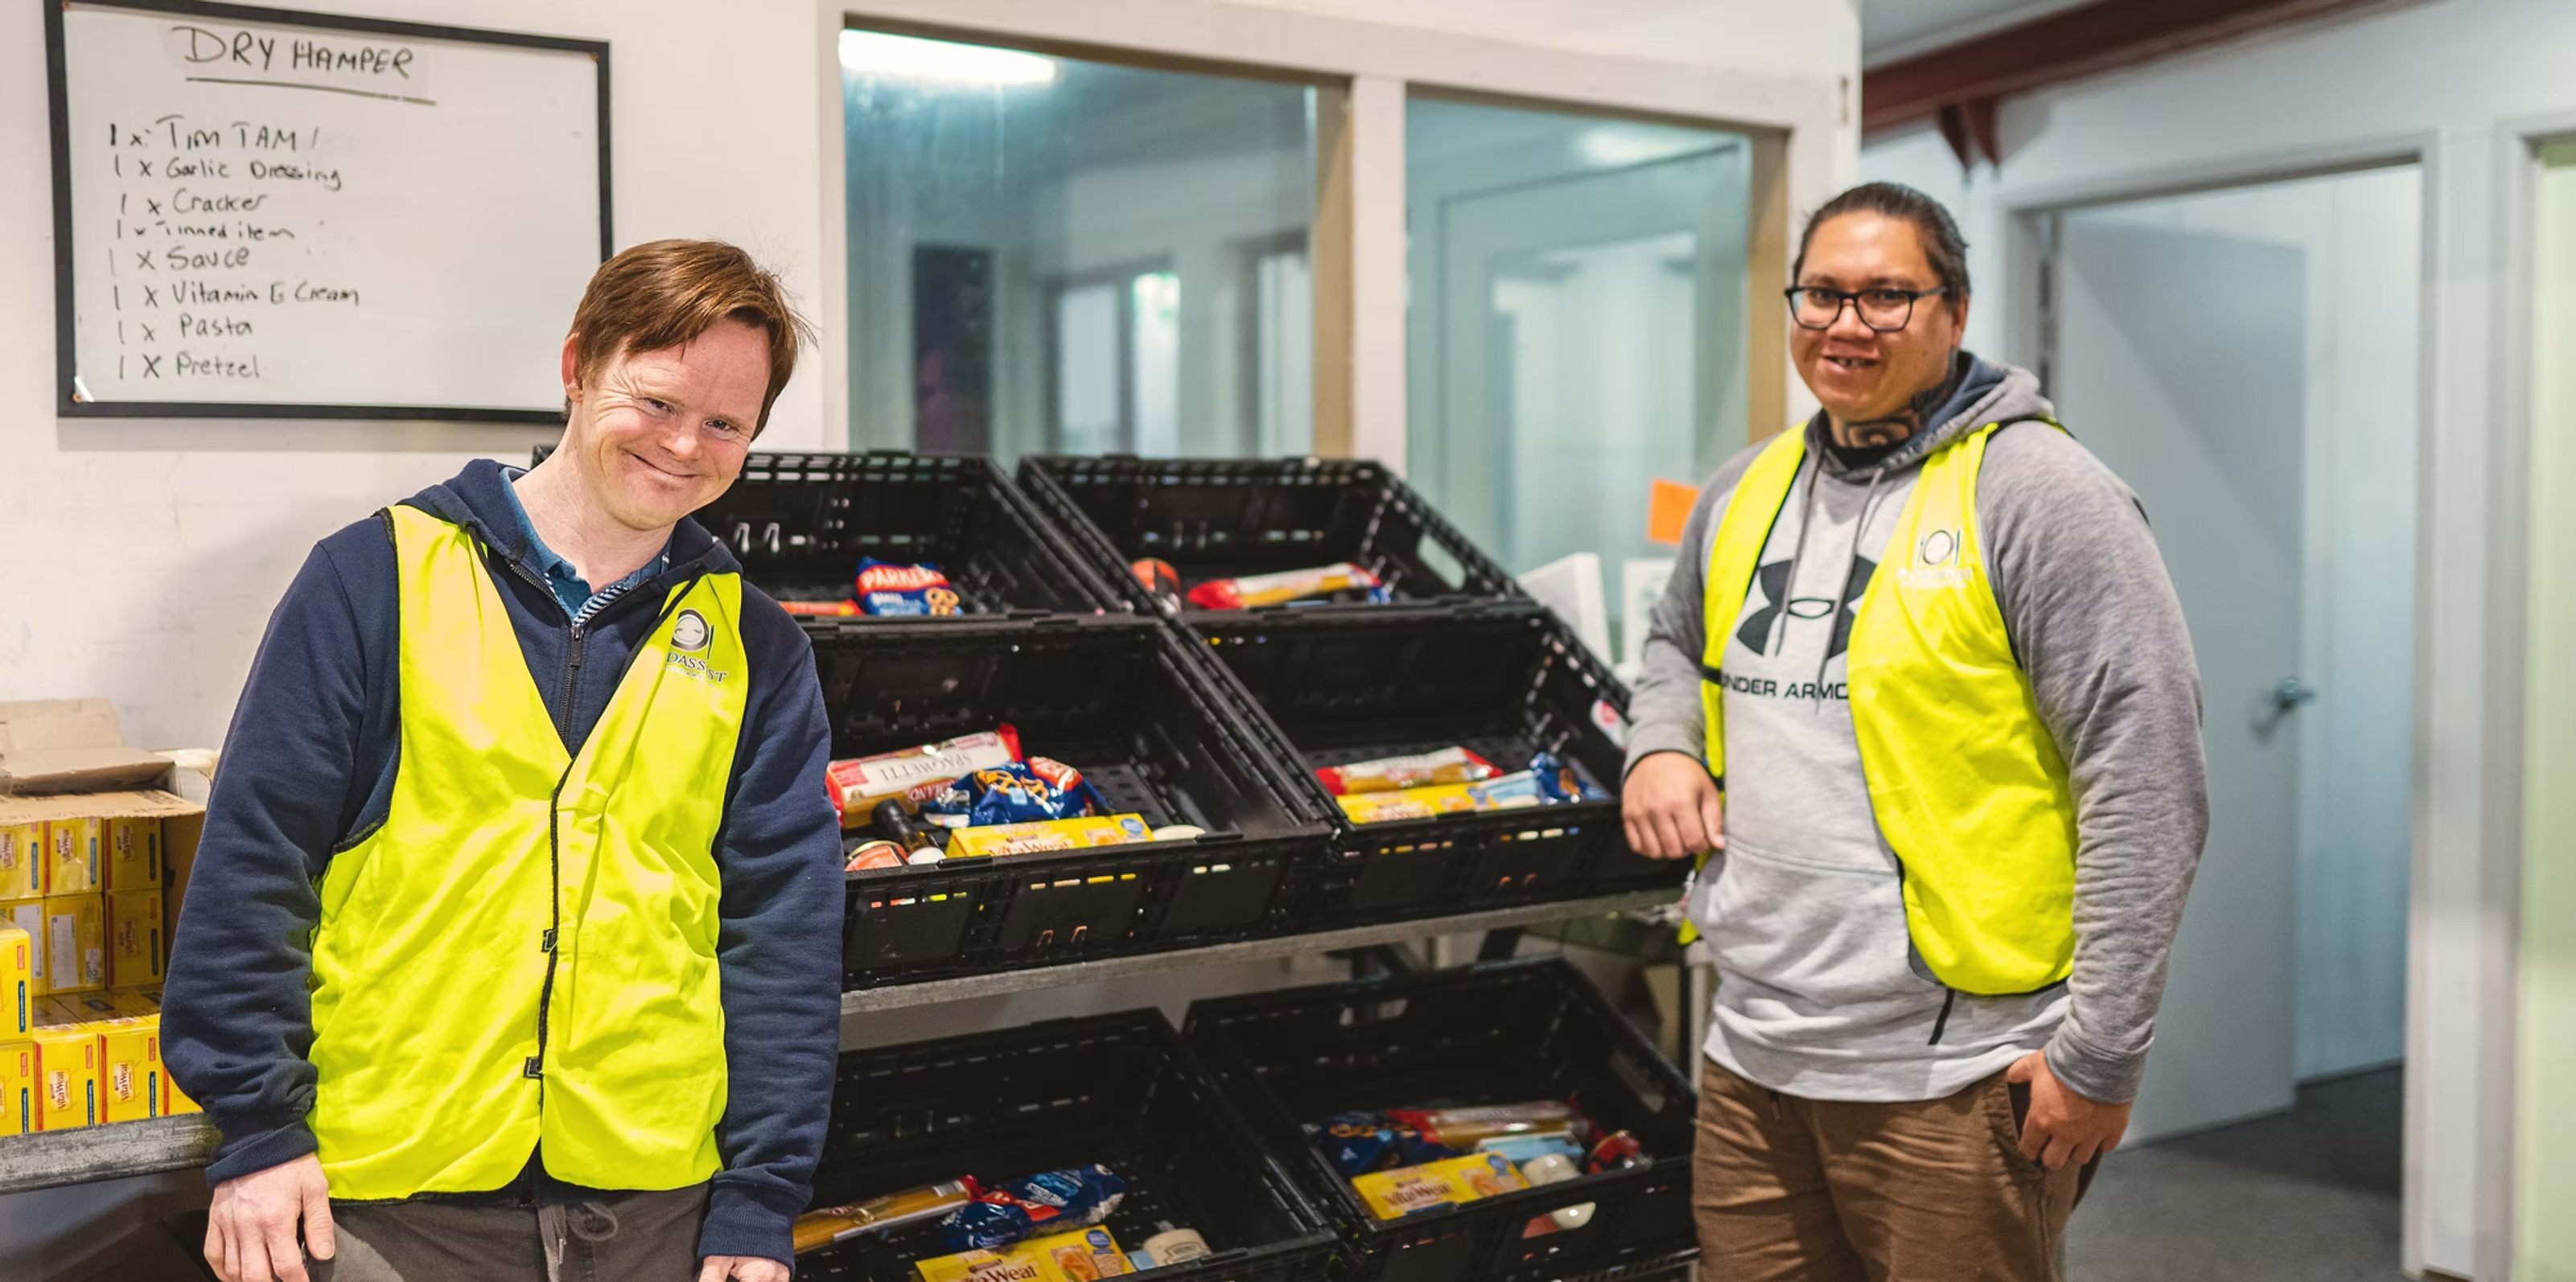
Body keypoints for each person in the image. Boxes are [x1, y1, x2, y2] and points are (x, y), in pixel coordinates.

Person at [163, 240, 846, 1282]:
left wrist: (761, 1196)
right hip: (390, 1204)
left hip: (657, 1205)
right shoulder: (373, 578)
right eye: (657, 401)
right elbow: (257, 863)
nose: (684, 445)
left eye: (725, 425)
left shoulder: (758, 642)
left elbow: (783, 929)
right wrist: (258, 1130)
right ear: (576, 366)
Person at [1619, 183, 2209, 1279]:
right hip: (1754, 1055)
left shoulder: (2040, 493)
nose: (1847, 324)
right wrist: (1659, 741)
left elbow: (2146, 770)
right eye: (1822, 294)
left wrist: (2101, 1052)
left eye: (1887, 295)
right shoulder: (1746, 486)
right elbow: (1672, 640)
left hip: (1955, 1075)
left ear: (1955, 309)